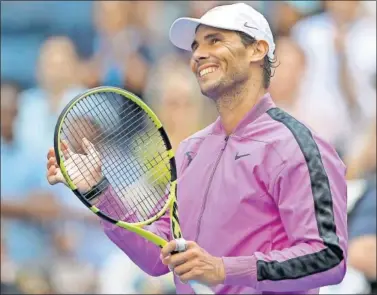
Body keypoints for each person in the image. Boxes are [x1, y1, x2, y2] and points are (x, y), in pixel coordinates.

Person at [46, 3, 348, 294]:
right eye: (196, 46)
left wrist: (222, 270)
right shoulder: (191, 150)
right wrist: (99, 191)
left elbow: (328, 258)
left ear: (258, 50)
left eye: (214, 41)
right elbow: (157, 256)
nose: (200, 54)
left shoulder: (298, 146)